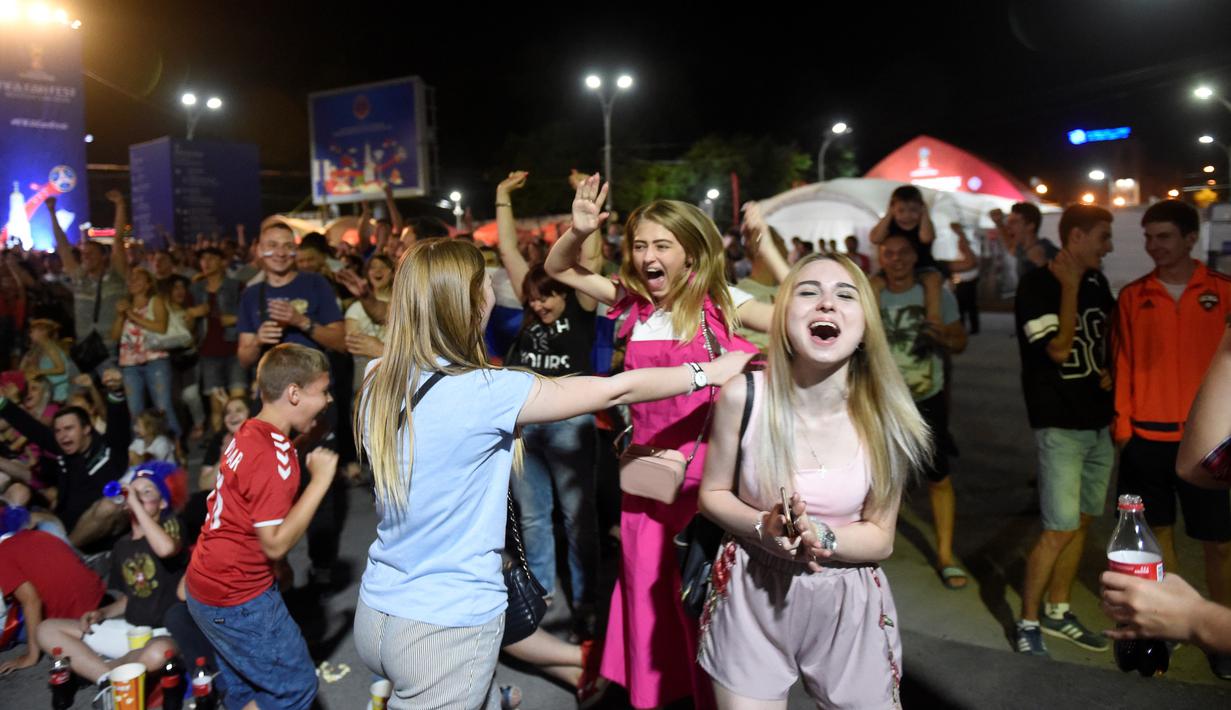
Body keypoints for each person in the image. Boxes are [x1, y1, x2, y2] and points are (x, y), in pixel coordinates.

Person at [352, 237, 752, 709]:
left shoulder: (379, 374)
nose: (494, 295)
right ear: (468, 302)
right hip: (443, 625)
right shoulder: (488, 392)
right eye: (487, 286)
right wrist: (707, 371)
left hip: (377, 610)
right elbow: (615, 390)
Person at [544, 176, 785, 709]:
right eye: (640, 245)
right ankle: (658, 696)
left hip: (712, 493)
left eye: (662, 245)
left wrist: (769, 250)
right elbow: (559, 268)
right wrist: (578, 229)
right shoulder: (632, 304)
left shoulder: (722, 302)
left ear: (691, 252)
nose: (647, 256)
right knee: (648, 600)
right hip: (648, 482)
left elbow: (802, 319)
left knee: (705, 606)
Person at [697, 252, 930, 708]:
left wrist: (821, 535)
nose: (826, 304)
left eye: (845, 295)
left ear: (866, 326)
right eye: (807, 292)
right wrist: (763, 526)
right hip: (751, 593)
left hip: (848, 602)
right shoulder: (742, 396)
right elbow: (712, 494)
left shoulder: (890, 419)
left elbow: (881, 539)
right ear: (782, 318)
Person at [1111, 199, 1231, 678]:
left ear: (1188, 239)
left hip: (1206, 447)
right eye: (1148, 237)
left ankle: (1218, 634)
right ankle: (1160, 625)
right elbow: (1122, 362)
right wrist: (1123, 427)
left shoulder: (1223, 292)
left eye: (1163, 236)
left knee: (1219, 544)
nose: (1153, 246)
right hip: (1147, 439)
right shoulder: (1133, 295)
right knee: (1155, 545)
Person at [184, 344, 339, 710]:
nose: (329, 399)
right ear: (295, 393)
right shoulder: (275, 459)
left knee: (243, 688)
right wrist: (320, 480)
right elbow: (273, 544)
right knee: (296, 687)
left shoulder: (252, 430)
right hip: (238, 597)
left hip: (205, 587)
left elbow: (257, 485)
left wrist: (306, 440)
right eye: (324, 391)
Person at [496, 171, 602, 630]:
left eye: (549, 299)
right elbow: (508, 251)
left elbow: (591, 258)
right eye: (535, 300)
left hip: (571, 425)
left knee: (580, 521)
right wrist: (502, 198)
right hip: (527, 424)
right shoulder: (529, 301)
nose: (540, 306)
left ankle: (588, 606)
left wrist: (585, 213)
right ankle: (540, 598)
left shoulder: (582, 304)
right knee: (535, 519)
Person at [1012, 204, 1115, 656]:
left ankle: (1058, 610)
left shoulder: (1098, 281)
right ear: (1076, 238)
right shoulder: (1036, 286)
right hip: (1060, 426)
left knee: (1082, 523)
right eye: (1102, 238)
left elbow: (1101, 337)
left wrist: (1108, 369)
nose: (1108, 247)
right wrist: (1068, 288)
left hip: (1098, 424)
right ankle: (1029, 622)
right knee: (1057, 528)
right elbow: (1057, 349)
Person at [35, 470, 185, 688]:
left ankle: (93, 669)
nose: (138, 496)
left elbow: (166, 549)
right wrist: (102, 613)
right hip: (130, 632)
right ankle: (106, 676)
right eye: (134, 492)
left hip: (162, 633)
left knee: (158, 654)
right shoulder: (122, 545)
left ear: (162, 503)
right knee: (47, 629)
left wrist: (135, 504)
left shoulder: (171, 526)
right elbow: (129, 598)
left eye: (147, 491)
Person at [878, 233, 970, 589]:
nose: (897, 259)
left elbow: (960, 341)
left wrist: (943, 335)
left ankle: (946, 557)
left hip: (925, 398)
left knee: (938, 476)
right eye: (890, 253)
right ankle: (872, 546)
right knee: (879, 477)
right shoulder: (871, 294)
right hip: (883, 400)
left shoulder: (937, 295)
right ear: (881, 257)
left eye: (904, 253)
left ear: (915, 257)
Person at [0, 369, 131, 549]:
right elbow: (31, 427)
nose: (62, 436)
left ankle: (69, 554)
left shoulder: (109, 450)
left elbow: (119, 425)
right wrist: (2, 403)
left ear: (86, 429)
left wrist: (116, 392)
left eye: (69, 428)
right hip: (64, 524)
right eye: (58, 431)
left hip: (96, 532)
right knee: (22, 516)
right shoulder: (65, 453)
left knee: (109, 506)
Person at [236, 223, 345, 369]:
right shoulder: (251, 294)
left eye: (288, 246)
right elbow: (244, 361)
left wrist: (301, 321)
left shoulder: (315, 283)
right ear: (260, 251)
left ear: (295, 250)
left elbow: (341, 343)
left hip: (312, 386)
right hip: (272, 389)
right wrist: (258, 341)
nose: (280, 253)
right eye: (272, 245)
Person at [0, 528, 106, 675]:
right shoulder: (33, 533)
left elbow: (32, 602)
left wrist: (31, 656)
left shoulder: (2, 556)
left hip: (76, 618)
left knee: (8, 628)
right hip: (99, 599)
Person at [49, 190, 129, 356]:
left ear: (103, 256)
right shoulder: (79, 278)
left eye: (91, 253)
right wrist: (51, 212)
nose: (86, 257)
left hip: (113, 346)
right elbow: (63, 247)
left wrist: (120, 205)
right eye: (84, 254)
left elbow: (118, 241)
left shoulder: (116, 277)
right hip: (85, 347)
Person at [113, 266, 181, 438]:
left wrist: (132, 314)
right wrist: (121, 316)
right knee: (134, 410)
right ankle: (140, 450)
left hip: (155, 359)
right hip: (130, 364)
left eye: (138, 279)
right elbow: (115, 336)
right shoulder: (125, 305)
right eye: (131, 279)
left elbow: (161, 327)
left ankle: (174, 447)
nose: (133, 282)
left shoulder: (155, 301)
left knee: (162, 406)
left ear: (149, 284)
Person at [868, 185, 944, 325]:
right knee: (873, 285)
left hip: (924, 268)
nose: (907, 216)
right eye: (901, 211)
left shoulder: (924, 225)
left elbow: (926, 238)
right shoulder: (889, 225)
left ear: (921, 209)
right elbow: (875, 238)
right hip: (892, 270)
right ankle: (875, 323)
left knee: (933, 281)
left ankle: (933, 320)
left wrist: (925, 214)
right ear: (892, 210)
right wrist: (889, 215)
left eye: (913, 210)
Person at [189, 247, 246, 427]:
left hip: (235, 349)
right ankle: (220, 448)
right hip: (208, 352)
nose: (206, 262)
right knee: (217, 406)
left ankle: (245, 447)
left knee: (239, 403)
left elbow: (251, 315)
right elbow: (186, 324)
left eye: (211, 258)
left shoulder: (236, 286)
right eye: (203, 258)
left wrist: (235, 319)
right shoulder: (195, 289)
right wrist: (192, 314)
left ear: (222, 262)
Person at [344, 255, 393, 392]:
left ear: (393, 272)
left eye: (383, 267)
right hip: (366, 381)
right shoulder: (356, 308)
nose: (378, 271)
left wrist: (380, 349)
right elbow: (354, 345)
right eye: (373, 267)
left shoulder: (404, 303)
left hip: (394, 382)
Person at [992, 202, 1059, 281]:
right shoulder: (1022, 249)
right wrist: (999, 224)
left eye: (1013, 222)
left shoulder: (1048, 251)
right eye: (1008, 222)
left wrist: (1042, 264)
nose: (1008, 226)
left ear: (1030, 225)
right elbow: (1009, 245)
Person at [21, 318, 74, 402]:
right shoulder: (42, 348)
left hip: (59, 392)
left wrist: (39, 371)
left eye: (32, 332)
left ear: (42, 332)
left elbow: (61, 369)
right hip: (50, 389)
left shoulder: (51, 347)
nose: (30, 335)